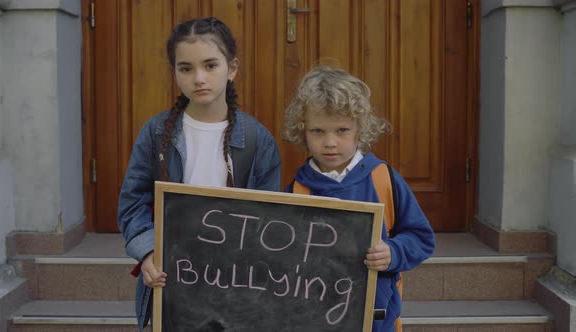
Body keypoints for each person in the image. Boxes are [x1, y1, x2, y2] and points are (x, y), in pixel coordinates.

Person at [117, 17, 282, 331]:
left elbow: (270, 216)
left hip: (236, 282)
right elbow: (132, 202)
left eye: (210, 65)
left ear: (231, 68)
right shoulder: (155, 134)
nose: (199, 78)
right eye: (186, 68)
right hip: (174, 276)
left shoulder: (258, 140)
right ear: (174, 72)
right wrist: (149, 251)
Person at [282, 65, 435, 332]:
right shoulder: (296, 191)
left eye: (342, 130)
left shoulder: (383, 179)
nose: (330, 142)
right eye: (318, 131)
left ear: (360, 129)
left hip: (376, 320)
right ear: (302, 131)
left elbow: (421, 238)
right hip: (314, 320)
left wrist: (394, 252)